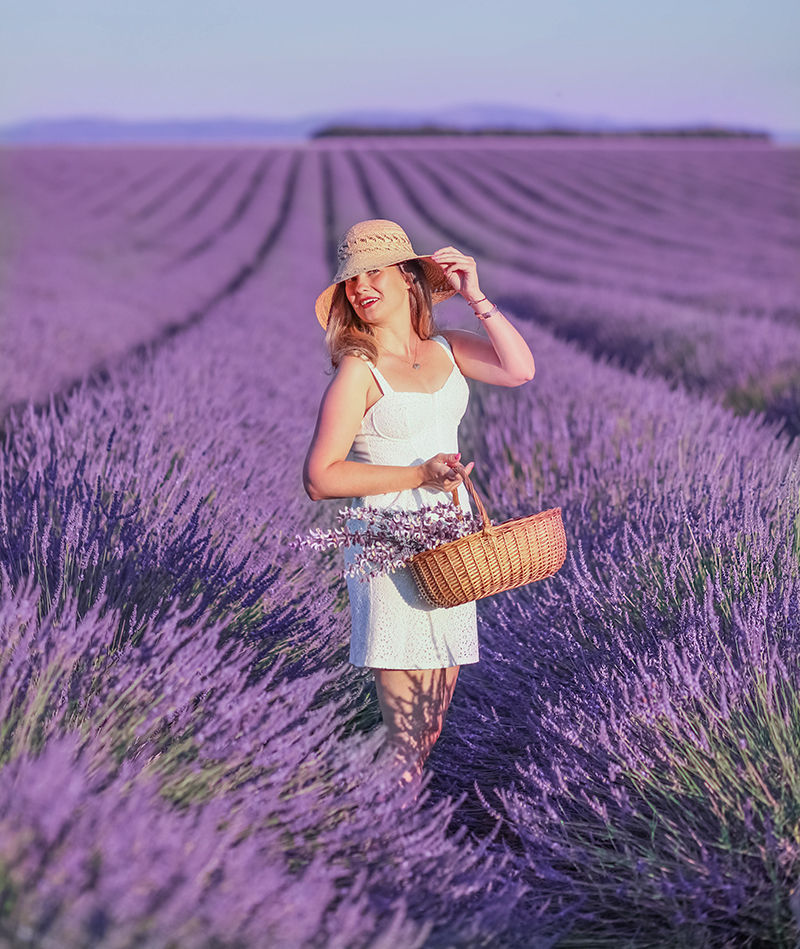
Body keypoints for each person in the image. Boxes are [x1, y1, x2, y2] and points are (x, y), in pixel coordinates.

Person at [303, 219, 535, 791]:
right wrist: (417, 473)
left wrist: (475, 294)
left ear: (409, 278)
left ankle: (354, 808)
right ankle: (375, 841)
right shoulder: (358, 370)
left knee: (428, 725)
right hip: (388, 547)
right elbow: (320, 477)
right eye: (351, 282)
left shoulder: (448, 349)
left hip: (449, 545)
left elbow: (519, 369)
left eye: (372, 273)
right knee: (408, 734)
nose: (360, 288)